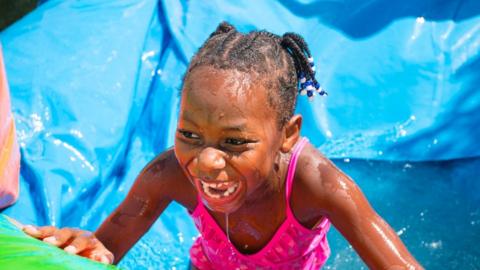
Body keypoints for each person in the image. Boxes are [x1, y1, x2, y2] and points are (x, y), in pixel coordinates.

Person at [23, 22, 422, 269]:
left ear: (287, 134)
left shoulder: (319, 186)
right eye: (190, 135)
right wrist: (83, 248)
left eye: (234, 142)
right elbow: (106, 249)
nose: (208, 161)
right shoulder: (167, 176)